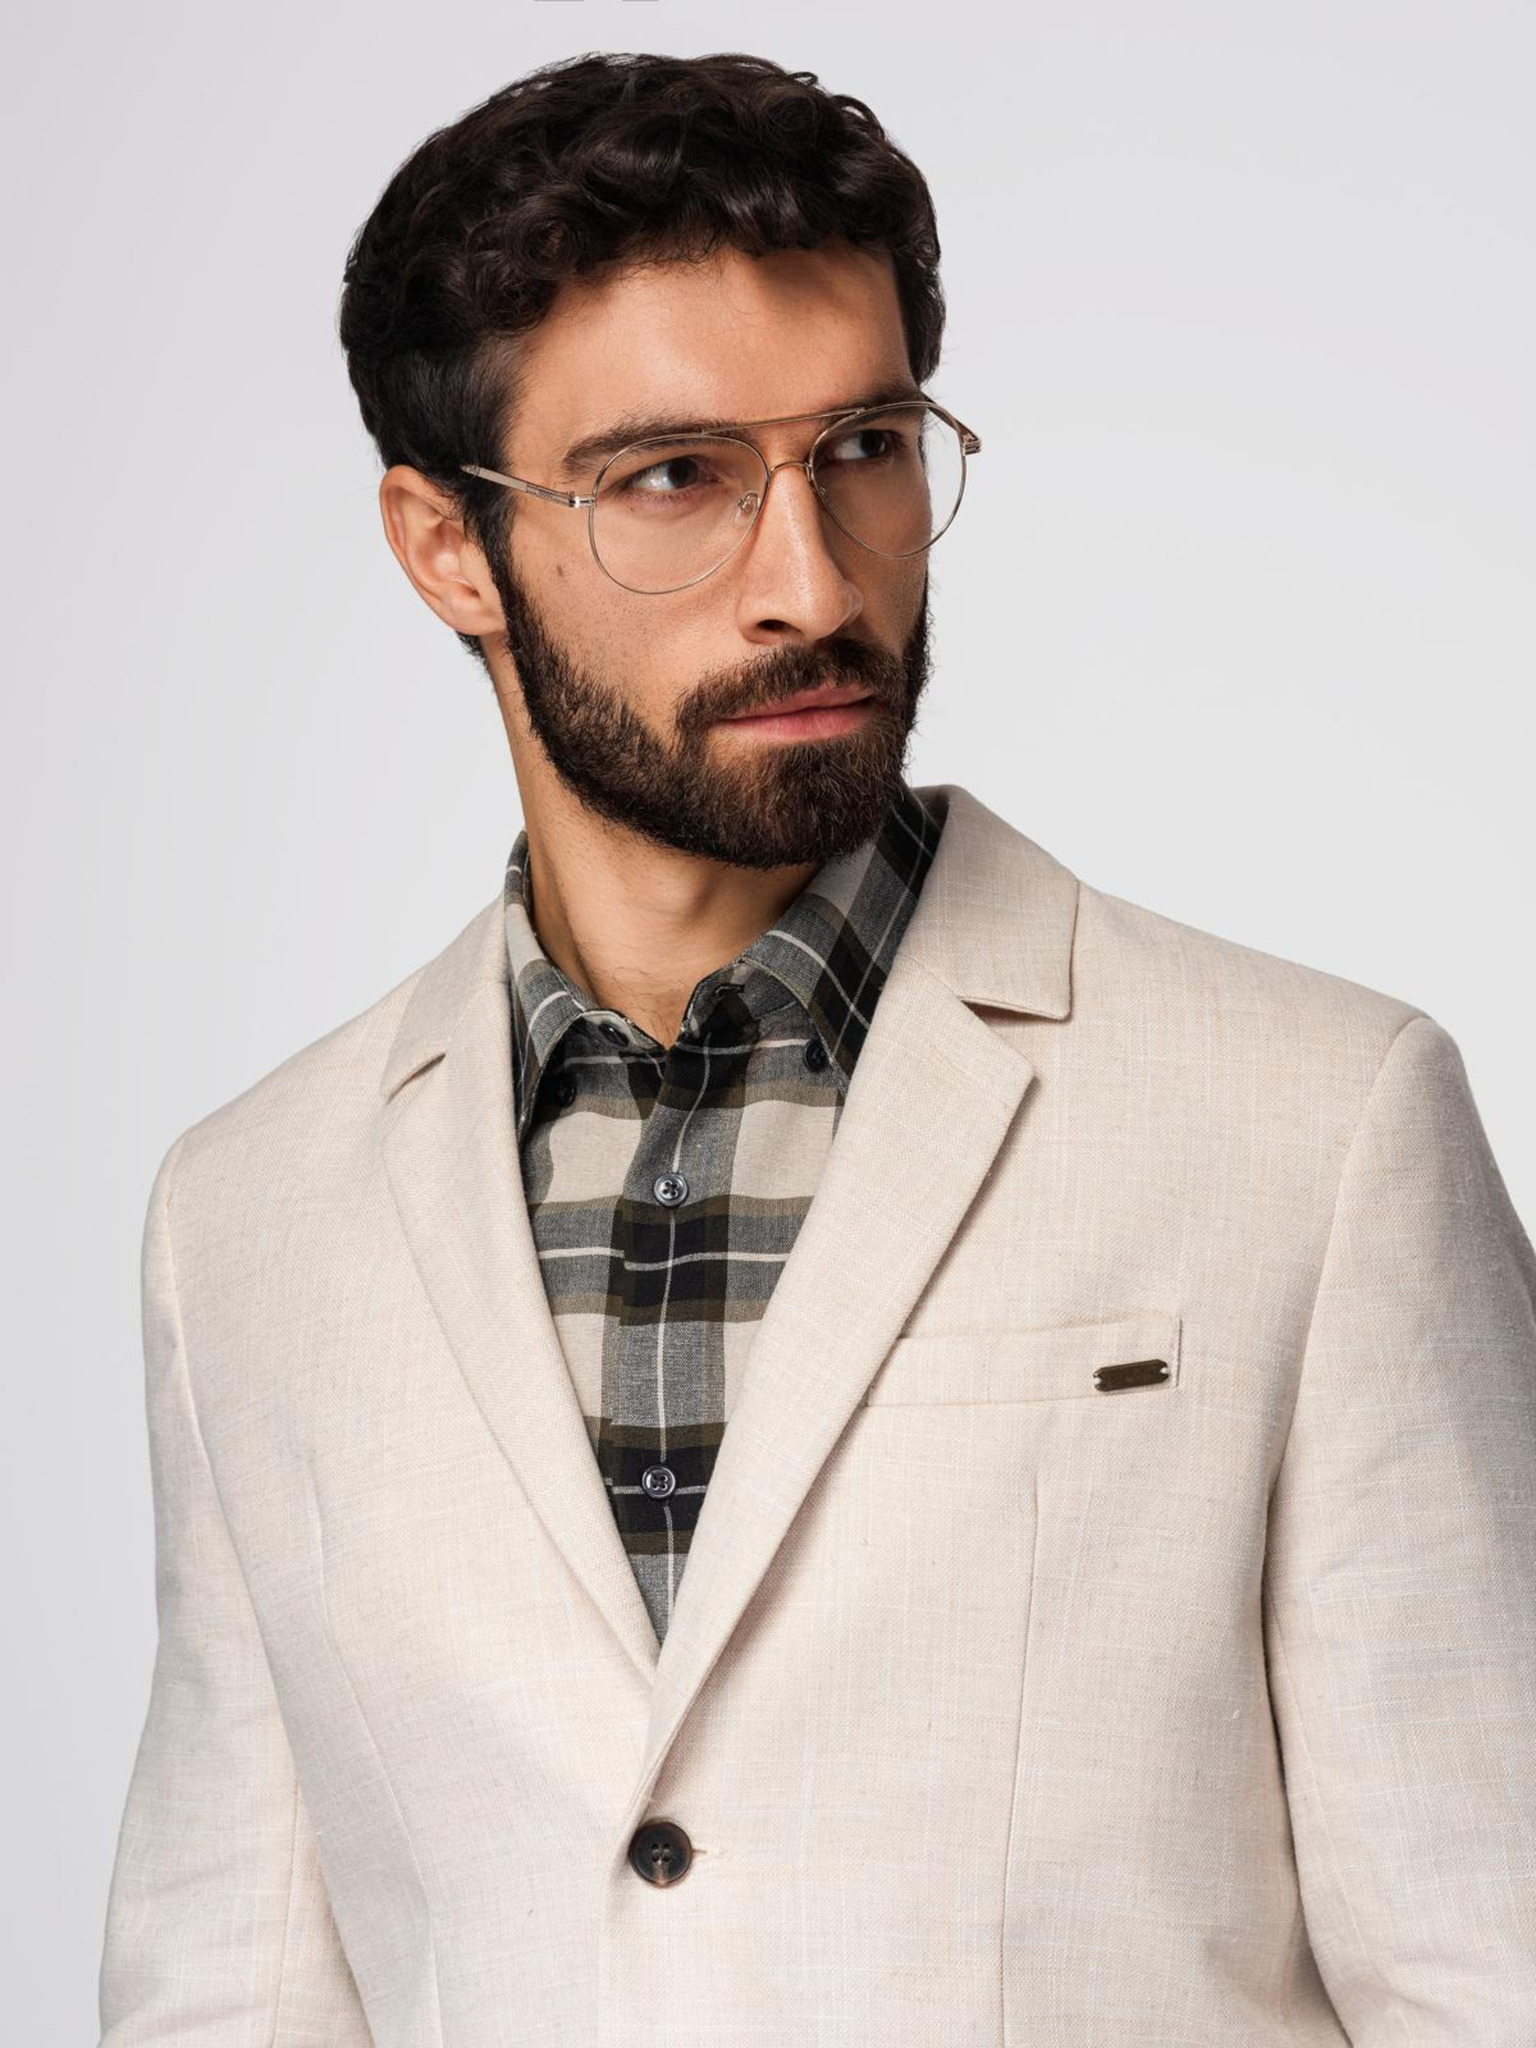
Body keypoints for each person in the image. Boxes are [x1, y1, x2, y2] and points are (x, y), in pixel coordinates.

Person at [98, 48, 1536, 2046]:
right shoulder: (245, 1220)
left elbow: (1493, 1967)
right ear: (445, 548)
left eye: (862, 446)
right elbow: (229, 1993)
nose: (812, 580)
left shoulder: (1316, 1124)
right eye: (670, 478)